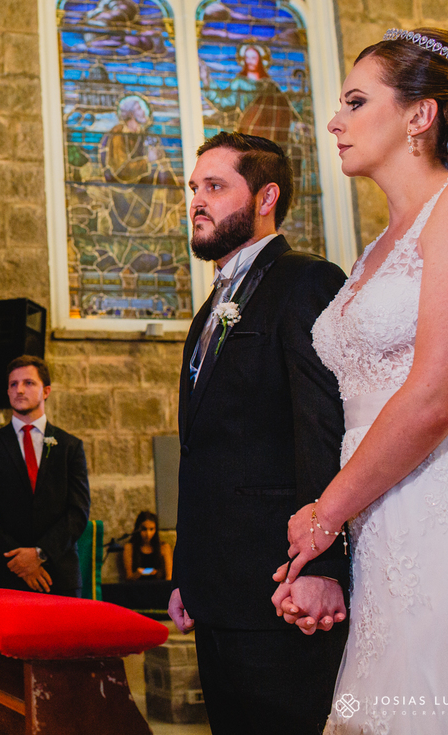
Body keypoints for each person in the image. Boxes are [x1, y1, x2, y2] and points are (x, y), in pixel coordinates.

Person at [280, 28, 448, 732]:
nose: (334, 120)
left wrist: (324, 516)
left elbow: (434, 397)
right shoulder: (382, 242)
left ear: (421, 115)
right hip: (390, 513)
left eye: (356, 101)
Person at [170, 131, 349, 735]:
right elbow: (201, 452)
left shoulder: (305, 282)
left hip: (281, 587)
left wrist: (326, 567)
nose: (197, 200)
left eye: (216, 187)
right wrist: (184, 571)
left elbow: (323, 427)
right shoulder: (209, 307)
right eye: (195, 188)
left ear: (267, 196)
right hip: (217, 585)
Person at [0, 355, 90, 597]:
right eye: (13, 384)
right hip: (5, 574)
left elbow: (78, 511)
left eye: (28, 383)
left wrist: (40, 554)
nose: (19, 390)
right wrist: (20, 563)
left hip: (58, 574)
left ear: (46, 391)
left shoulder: (69, 446)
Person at [122, 511, 172, 582]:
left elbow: (169, 576)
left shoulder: (163, 547)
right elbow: (128, 577)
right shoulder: (130, 547)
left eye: (151, 529)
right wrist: (137, 574)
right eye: (144, 529)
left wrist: (158, 573)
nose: (148, 534)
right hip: (136, 588)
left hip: (159, 587)